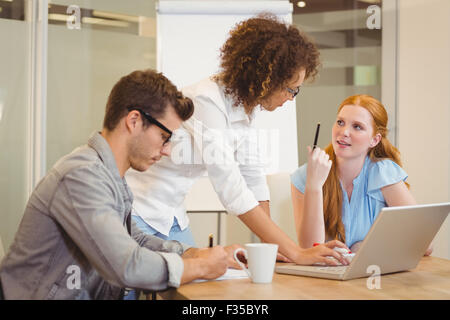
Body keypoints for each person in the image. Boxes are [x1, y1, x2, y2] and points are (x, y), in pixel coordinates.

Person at [126, 14, 349, 266]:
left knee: (190, 288)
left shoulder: (244, 108)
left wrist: (274, 247)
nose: (291, 97)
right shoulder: (205, 101)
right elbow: (230, 185)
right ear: (266, 79)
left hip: (172, 217)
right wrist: (296, 252)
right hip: (139, 211)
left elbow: (253, 178)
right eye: (290, 88)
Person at [0, 69, 231, 300]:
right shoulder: (82, 176)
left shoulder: (110, 178)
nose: (167, 150)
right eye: (164, 136)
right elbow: (126, 265)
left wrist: (195, 254)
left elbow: (135, 240)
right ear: (134, 121)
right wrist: (201, 267)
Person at [291, 94, 433, 255]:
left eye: (357, 126)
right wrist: (314, 186)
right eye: (340, 122)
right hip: (325, 278)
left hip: (374, 274)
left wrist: (366, 246)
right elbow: (309, 249)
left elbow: (425, 244)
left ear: (374, 140)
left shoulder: (383, 173)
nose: (344, 132)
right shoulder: (304, 177)